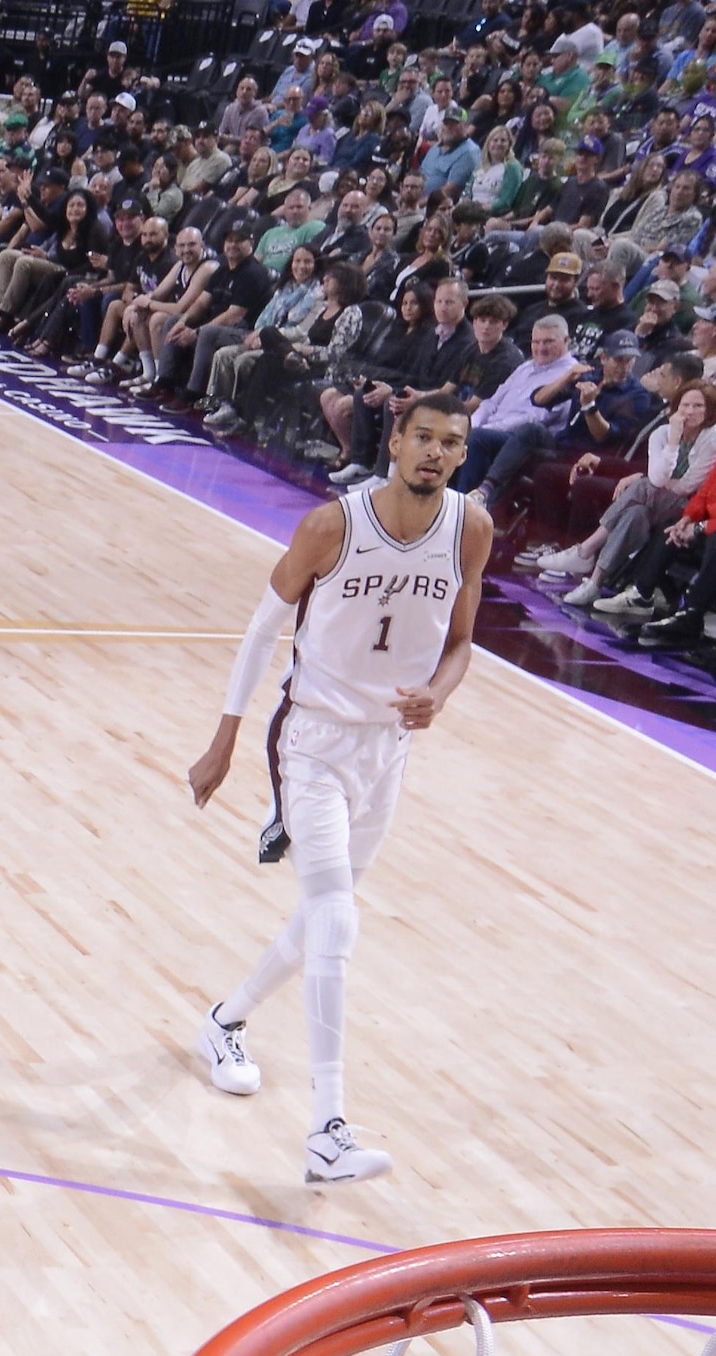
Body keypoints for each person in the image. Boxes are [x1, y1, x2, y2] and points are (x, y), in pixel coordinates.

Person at [185, 385, 492, 1189]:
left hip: (387, 747)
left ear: (463, 454)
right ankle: (327, 1128)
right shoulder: (334, 525)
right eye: (422, 436)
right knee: (337, 919)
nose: (434, 452)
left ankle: (225, 1021)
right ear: (396, 442)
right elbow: (261, 627)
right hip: (312, 738)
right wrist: (222, 739)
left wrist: (443, 693)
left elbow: (462, 643)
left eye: (450, 443)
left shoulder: (471, 528)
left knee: (326, 918)